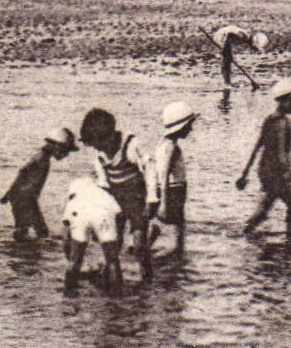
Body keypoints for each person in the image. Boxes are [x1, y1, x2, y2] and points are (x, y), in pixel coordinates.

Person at [80, 108, 154, 282]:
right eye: (94, 145)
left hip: (136, 202)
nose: (98, 148)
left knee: (139, 243)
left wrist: (152, 198)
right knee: (112, 242)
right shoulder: (99, 157)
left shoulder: (130, 145)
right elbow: (103, 184)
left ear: (110, 136)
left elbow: (150, 168)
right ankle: (111, 276)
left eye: (100, 143)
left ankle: (147, 280)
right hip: (115, 202)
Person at [237, 77, 291, 237]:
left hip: (266, 172)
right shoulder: (282, 123)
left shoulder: (270, 120)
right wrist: (289, 176)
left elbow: (257, 147)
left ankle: (287, 227)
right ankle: (290, 233)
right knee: (290, 200)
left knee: (281, 203)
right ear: (284, 101)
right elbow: (281, 154)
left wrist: (245, 173)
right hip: (276, 173)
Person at [0, 128, 77, 242]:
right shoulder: (41, 158)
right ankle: (26, 254)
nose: (65, 155)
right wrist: (9, 193)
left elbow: (23, 173)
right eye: (65, 151)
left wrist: (9, 193)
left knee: (30, 231)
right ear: (56, 146)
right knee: (38, 232)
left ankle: (22, 253)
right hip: (25, 198)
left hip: (25, 198)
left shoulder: (43, 158)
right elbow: (22, 172)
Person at [147, 102, 197, 258]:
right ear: (181, 127)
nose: (191, 129)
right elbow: (164, 175)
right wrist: (163, 203)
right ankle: (170, 259)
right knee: (176, 232)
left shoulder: (164, 144)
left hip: (173, 190)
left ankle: (143, 251)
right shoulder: (171, 147)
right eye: (189, 125)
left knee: (164, 226)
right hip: (173, 192)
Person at [62, 177, 123, 294]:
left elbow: (66, 236)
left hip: (79, 213)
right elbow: (119, 214)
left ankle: (69, 293)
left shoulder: (73, 198)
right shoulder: (105, 194)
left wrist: (70, 254)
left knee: (74, 261)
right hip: (102, 214)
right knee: (112, 260)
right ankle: (117, 295)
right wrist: (118, 238)